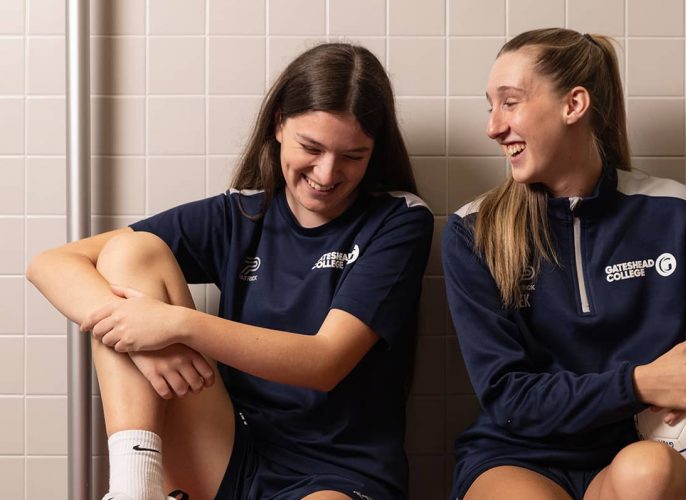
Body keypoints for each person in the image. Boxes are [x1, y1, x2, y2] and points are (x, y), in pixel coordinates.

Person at [27, 43, 433, 500]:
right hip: (227, 449)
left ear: (374, 152)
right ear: (279, 123)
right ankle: (133, 487)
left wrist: (175, 325)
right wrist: (145, 343)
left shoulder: (399, 222)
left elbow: (325, 362)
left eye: (352, 156)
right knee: (130, 253)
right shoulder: (239, 216)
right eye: (311, 147)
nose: (327, 172)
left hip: (338, 471)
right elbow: (51, 264)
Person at [442, 28, 686, 500]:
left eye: (510, 102)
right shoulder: (473, 231)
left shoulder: (675, 211)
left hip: (632, 451)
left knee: (650, 472)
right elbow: (508, 398)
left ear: (573, 105)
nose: (493, 126)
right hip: (516, 456)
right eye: (490, 106)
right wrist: (643, 383)